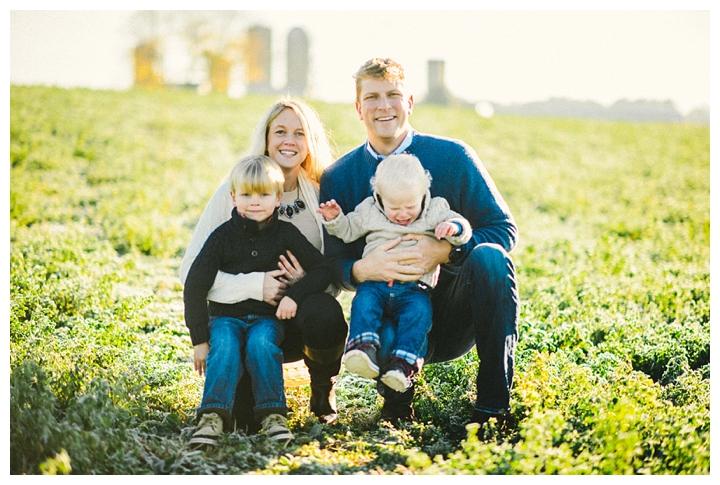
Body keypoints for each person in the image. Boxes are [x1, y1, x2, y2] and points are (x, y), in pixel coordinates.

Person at [318, 58, 519, 427]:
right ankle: (396, 406)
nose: (384, 106)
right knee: (381, 306)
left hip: (453, 313)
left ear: (409, 101)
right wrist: (362, 269)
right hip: (387, 310)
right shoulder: (340, 177)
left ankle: (493, 409)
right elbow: (333, 261)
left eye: (393, 95)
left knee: (490, 257)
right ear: (358, 107)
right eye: (373, 97)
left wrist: (444, 250)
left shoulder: (453, 157)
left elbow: (503, 229)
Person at [180, 97, 348, 429]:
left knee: (325, 313)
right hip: (238, 319)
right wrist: (257, 285)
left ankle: (321, 389)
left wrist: (299, 287)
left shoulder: (319, 196)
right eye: (280, 131)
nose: (289, 141)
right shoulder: (236, 192)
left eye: (300, 133)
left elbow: (332, 270)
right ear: (267, 139)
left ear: (310, 142)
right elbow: (191, 272)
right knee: (244, 422)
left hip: (294, 318)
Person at [184, 155, 331, 446]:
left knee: (261, 343)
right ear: (233, 197)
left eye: (264, 194)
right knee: (224, 344)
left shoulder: (286, 234)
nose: (255, 201)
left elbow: (322, 269)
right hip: (224, 318)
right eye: (247, 194)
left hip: (267, 319)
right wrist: (199, 339)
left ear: (278, 199)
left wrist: (293, 296)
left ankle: (273, 415)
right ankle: (211, 418)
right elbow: (195, 285)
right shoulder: (221, 237)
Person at [317, 153, 471, 393]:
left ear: (423, 195)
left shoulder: (435, 208)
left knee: (419, 316)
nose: (402, 214)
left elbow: (463, 226)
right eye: (394, 207)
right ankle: (362, 346)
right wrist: (335, 219)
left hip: (414, 289)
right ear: (379, 197)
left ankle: (404, 364)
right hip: (376, 282)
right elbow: (348, 231)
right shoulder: (369, 210)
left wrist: (454, 228)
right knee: (364, 303)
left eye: (410, 206)